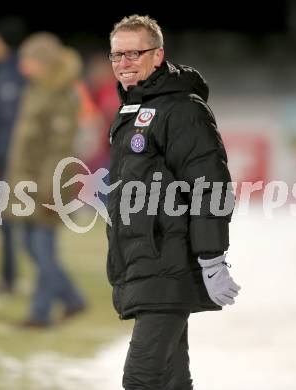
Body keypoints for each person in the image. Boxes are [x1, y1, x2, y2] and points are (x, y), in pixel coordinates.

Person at [106, 15, 241, 389]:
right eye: (116, 55)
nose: (123, 63)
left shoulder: (181, 109)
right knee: (171, 380)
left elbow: (209, 184)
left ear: (158, 54)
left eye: (134, 52)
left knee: (141, 379)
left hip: (169, 261)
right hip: (147, 264)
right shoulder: (131, 110)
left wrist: (212, 257)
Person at [5, 32, 86, 327]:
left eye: (28, 59)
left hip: (48, 188)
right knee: (31, 247)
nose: (23, 65)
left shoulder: (61, 93)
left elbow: (59, 149)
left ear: (43, 62)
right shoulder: (36, 89)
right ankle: (73, 299)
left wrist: (48, 191)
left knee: (42, 249)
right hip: (29, 187)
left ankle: (41, 314)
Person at [0, 17, 27, 292]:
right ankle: (8, 276)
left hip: (10, 159)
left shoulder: (14, 74)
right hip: (1, 158)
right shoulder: (1, 71)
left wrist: (4, 159)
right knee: (3, 221)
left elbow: (11, 124)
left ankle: (11, 278)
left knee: (13, 222)